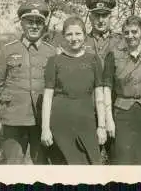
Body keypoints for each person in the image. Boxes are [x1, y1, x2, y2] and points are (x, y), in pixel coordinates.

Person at [0, 0, 57, 164]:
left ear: (44, 25)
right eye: (29, 21)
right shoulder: (8, 50)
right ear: (22, 23)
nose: (34, 26)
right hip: (14, 119)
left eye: (39, 22)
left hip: (42, 120)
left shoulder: (52, 52)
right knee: (12, 165)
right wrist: (11, 103)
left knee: (41, 165)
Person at [40, 16, 106, 164]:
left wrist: (102, 126)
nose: (74, 38)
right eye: (69, 34)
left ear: (84, 35)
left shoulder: (93, 60)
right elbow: (48, 97)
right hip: (60, 125)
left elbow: (99, 96)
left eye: (78, 34)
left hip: (87, 123)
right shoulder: (54, 61)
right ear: (63, 36)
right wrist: (45, 129)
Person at [103, 16, 141, 165]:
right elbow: (107, 87)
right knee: (123, 159)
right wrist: (109, 119)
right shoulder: (114, 55)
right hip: (122, 114)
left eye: (134, 32)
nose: (130, 36)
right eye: (126, 32)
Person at [84, 0, 122, 158]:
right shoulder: (81, 41)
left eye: (105, 15)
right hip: (87, 106)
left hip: (115, 107)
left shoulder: (121, 41)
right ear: (90, 17)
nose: (100, 20)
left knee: (116, 156)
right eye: (96, 15)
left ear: (110, 17)